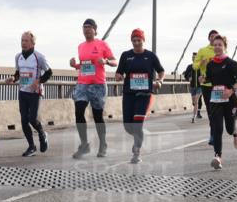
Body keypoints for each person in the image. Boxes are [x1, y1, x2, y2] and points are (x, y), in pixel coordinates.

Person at [115, 28, 165, 164]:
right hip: (129, 94)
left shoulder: (150, 56)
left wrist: (159, 81)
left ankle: (136, 151)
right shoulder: (125, 55)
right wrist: (118, 76)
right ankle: (139, 137)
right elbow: (118, 72)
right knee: (128, 126)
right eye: (134, 40)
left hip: (144, 94)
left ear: (143, 40)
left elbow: (161, 71)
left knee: (137, 125)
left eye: (139, 40)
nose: (136, 43)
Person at [70, 18, 117, 158]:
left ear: (95, 30)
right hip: (82, 84)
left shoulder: (102, 44)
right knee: (79, 112)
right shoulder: (80, 46)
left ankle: (103, 144)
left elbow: (115, 61)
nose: (86, 29)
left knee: (97, 117)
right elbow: (84, 65)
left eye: (89, 27)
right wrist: (75, 65)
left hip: (98, 85)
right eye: (84, 27)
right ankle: (84, 145)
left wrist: (106, 61)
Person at [9, 31, 51, 157]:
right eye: (22, 40)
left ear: (33, 43)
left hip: (35, 92)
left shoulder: (39, 57)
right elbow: (18, 73)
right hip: (23, 91)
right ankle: (31, 147)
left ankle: (42, 134)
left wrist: (39, 81)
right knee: (23, 120)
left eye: (26, 41)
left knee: (32, 119)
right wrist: (12, 78)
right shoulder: (18, 57)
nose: (23, 43)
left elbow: (49, 73)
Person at [204, 35, 237, 170]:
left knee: (229, 128)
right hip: (215, 99)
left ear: (225, 47)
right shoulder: (210, 64)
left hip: (229, 99)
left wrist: (231, 90)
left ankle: (235, 133)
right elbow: (209, 79)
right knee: (217, 129)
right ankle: (218, 157)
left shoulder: (232, 63)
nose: (217, 47)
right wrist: (203, 79)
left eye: (220, 44)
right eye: (215, 45)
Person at [193, 30, 220, 142]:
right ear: (209, 38)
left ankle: (217, 130)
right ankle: (213, 133)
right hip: (206, 84)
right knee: (210, 110)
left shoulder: (220, 50)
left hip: (218, 85)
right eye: (212, 37)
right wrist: (201, 63)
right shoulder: (202, 50)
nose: (213, 38)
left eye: (216, 37)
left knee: (218, 110)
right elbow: (194, 66)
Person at [183, 53, 203, 122]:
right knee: (194, 102)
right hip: (192, 87)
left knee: (196, 101)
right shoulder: (190, 67)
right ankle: (196, 112)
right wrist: (188, 78)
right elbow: (185, 75)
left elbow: (205, 74)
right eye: (192, 57)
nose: (193, 58)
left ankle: (193, 117)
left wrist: (203, 78)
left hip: (200, 87)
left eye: (195, 57)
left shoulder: (201, 66)